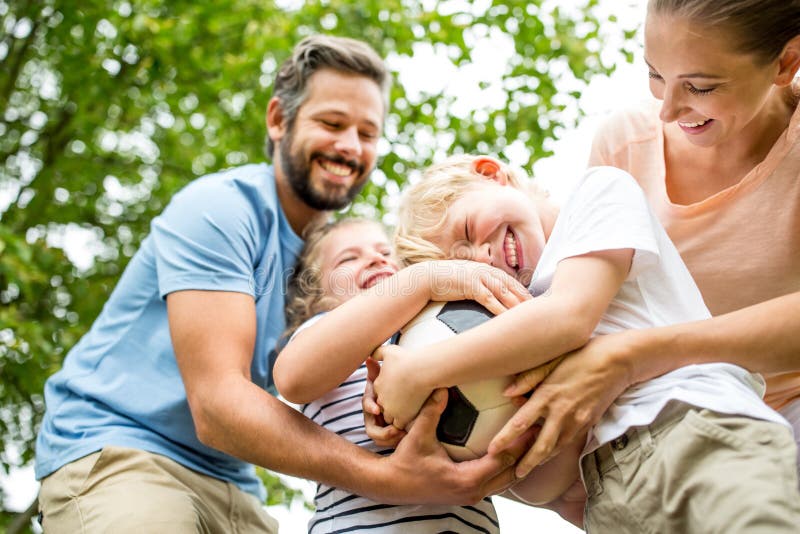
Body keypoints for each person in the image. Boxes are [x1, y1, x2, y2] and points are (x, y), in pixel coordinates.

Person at [34, 35, 519, 533]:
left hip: (233, 476)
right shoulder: (221, 210)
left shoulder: (343, 265)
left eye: (367, 133)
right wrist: (388, 478)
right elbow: (219, 406)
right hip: (122, 448)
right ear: (278, 120)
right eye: (331, 123)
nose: (350, 146)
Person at [370, 154, 800, 532]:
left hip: (686, 431)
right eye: (463, 265)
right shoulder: (518, 323)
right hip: (610, 500)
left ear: (490, 173)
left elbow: (569, 317)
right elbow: (547, 483)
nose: (482, 256)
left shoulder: (597, 194)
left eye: (466, 230)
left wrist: (418, 373)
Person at [486, 0, 800, 486]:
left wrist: (633, 355)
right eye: (655, 74)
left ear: (785, 63)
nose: (668, 110)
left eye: (700, 86)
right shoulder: (623, 143)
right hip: (666, 422)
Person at [275, 217, 530, 533]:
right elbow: (293, 378)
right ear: (319, 293)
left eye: (385, 251)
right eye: (349, 258)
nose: (376, 258)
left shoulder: (437, 325)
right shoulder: (323, 329)